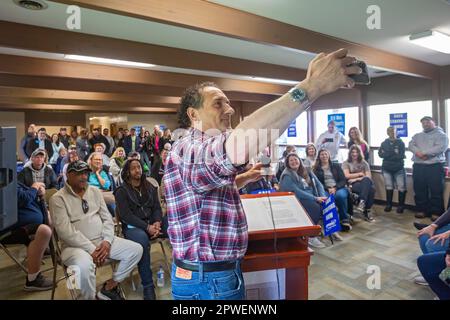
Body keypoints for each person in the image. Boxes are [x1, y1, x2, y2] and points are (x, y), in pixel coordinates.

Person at [164, 48, 360, 300]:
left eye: (228, 101)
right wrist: (312, 87)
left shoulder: (195, 148)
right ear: (193, 114)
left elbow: (199, 192)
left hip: (212, 275)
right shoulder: (186, 146)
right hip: (208, 281)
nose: (230, 109)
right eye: (218, 103)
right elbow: (240, 143)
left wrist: (240, 180)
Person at [49, 161, 143, 300]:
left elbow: (107, 219)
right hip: (74, 247)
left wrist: (106, 241)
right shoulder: (58, 198)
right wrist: (91, 249)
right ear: (69, 175)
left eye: (86, 173)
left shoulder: (94, 191)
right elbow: (65, 232)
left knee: (136, 250)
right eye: (79, 173)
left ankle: (109, 287)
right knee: (85, 267)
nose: (84, 177)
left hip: (101, 241)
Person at [114, 159, 168, 300]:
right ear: (127, 172)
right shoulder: (121, 191)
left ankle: (185, 267)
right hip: (134, 227)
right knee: (142, 242)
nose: (137, 170)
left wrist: (157, 222)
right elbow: (126, 216)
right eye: (133, 168)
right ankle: (148, 286)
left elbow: (157, 207)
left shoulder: (149, 186)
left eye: (139, 167)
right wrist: (147, 227)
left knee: (174, 224)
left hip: (152, 223)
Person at [1, 182, 53, 291]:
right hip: (7, 229)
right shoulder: (4, 177)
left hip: (19, 225)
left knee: (49, 219)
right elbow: (22, 198)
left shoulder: (8, 175)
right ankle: (33, 280)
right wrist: (34, 187)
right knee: (44, 231)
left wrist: (38, 191)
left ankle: (41, 249)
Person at [279, 153, 330, 246]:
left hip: (312, 195)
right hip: (296, 199)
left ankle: (328, 229)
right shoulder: (287, 174)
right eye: (291, 160)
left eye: (295, 159)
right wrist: (315, 198)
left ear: (299, 160)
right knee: (314, 207)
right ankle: (310, 236)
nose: (294, 162)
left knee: (328, 201)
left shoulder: (306, 169)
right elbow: (297, 192)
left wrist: (322, 196)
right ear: (287, 163)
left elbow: (318, 184)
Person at [409, 116, 448, 220]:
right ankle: (421, 210)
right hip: (418, 166)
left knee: (436, 190)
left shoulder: (442, 135)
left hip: (435, 166)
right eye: (423, 123)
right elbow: (411, 145)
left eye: (428, 122)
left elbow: (440, 147)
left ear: (433, 122)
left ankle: (436, 212)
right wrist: (418, 153)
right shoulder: (417, 135)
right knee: (419, 189)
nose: (425, 124)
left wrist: (424, 154)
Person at [313, 148, 352, 231]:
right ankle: (331, 223)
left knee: (340, 196)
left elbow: (343, 180)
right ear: (319, 157)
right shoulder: (316, 169)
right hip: (325, 189)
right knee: (326, 199)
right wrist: (328, 189)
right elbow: (317, 183)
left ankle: (344, 220)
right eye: (322, 154)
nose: (324, 156)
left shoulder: (336, 166)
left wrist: (335, 188)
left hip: (339, 188)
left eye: (325, 154)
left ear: (329, 155)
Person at [342, 145, 376, 222]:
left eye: (356, 152)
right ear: (350, 153)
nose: (354, 154)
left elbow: (368, 177)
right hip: (352, 184)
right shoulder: (346, 163)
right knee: (371, 190)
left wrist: (356, 178)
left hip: (362, 182)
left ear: (359, 153)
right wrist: (360, 174)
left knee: (370, 187)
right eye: (353, 152)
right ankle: (366, 210)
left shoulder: (364, 163)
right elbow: (347, 176)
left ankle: (362, 202)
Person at [378, 126, 406, 213]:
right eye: (389, 131)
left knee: (401, 187)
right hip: (387, 168)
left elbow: (401, 156)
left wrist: (387, 154)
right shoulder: (384, 143)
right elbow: (380, 154)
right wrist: (393, 154)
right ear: (387, 133)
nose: (392, 133)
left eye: (393, 131)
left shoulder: (401, 143)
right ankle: (388, 205)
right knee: (389, 186)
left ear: (396, 132)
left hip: (399, 169)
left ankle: (400, 206)